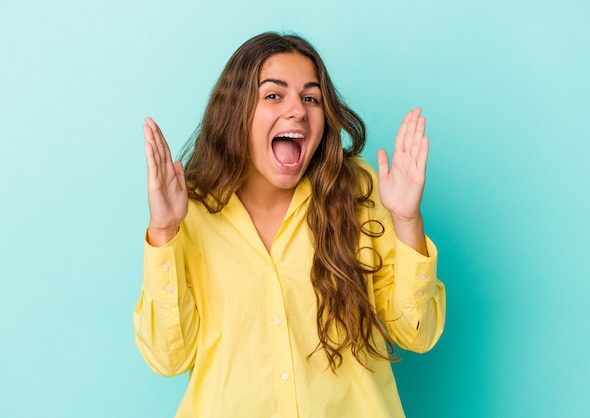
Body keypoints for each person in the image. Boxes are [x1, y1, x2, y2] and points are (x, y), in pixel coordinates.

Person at [134, 32, 446, 418]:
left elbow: (418, 333)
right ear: (236, 110)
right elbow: (168, 358)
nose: (297, 110)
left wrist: (406, 221)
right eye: (274, 95)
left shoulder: (359, 192)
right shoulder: (189, 211)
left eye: (311, 98)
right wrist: (164, 232)